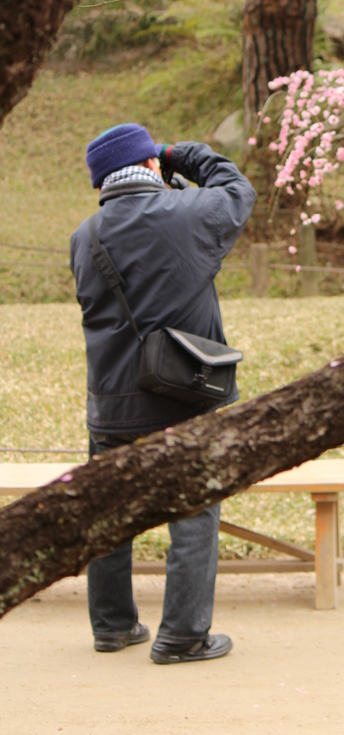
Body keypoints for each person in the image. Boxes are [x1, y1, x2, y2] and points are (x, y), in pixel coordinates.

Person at [70, 123, 256, 664]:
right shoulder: (191, 214)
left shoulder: (85, 236)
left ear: (103, 181)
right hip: (185, 394)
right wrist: (183, 154)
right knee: (193, 511)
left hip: (110, 403)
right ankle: (182, 636)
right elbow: (237, 190)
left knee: (108, 512)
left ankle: (112, 626)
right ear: (151, 166)